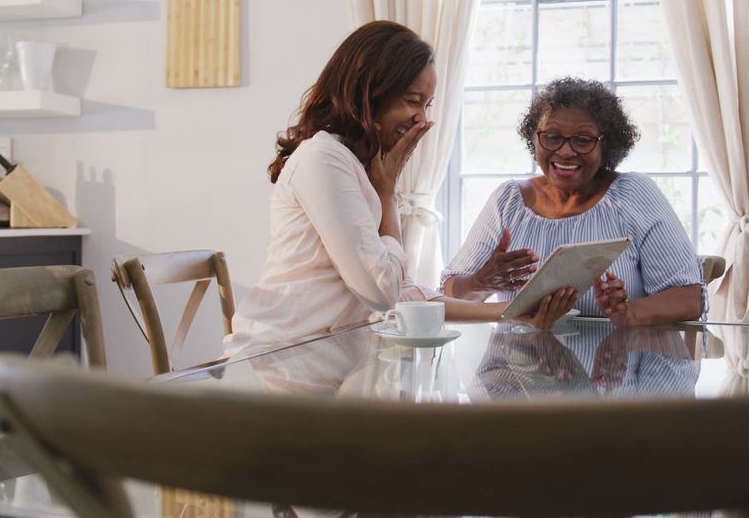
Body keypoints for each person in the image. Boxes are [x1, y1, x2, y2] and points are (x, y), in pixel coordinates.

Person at [225, 21, 575, 358]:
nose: (422, 119)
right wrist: (388, 195)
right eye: (412, 101)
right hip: (278, 357)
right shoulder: (324, 159)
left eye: (427, 105)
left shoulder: (358, 164)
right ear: (370, 92)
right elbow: (382, 293)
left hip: (327, 357)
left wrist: (509, 310)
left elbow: (402, 291)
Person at [441, 77, 703, 327]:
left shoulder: (633, 194)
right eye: (552, 137)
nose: (565, 151)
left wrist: (630, 313)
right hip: (514, 369)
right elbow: (449, 297)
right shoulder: (508, 200)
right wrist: (481, 282)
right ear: (535, 139)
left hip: (609, 368)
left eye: (583, 140)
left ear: (606, 145)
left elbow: (690, 298)